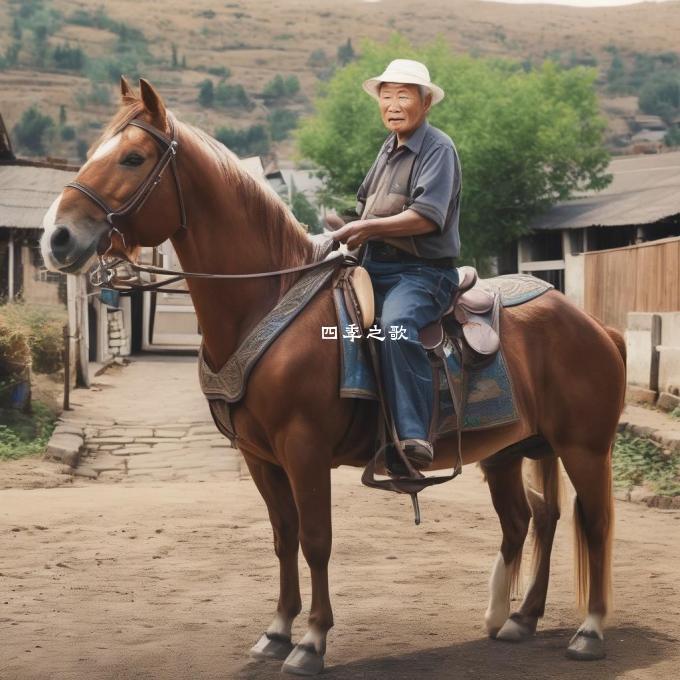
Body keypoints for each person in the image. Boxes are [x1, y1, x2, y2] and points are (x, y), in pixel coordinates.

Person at [330, 59, 462, 472]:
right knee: (330, 325)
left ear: (425, 103)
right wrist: (337, 230)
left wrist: (368, 227)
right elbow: (360, 209)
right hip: (374, 268)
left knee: (395, 328)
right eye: (386, 96)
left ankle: (412, 435)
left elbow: (427, 216)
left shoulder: (438, 148)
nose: (393, 104)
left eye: (404, 95)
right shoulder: (387, 149)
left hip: (423, 273)